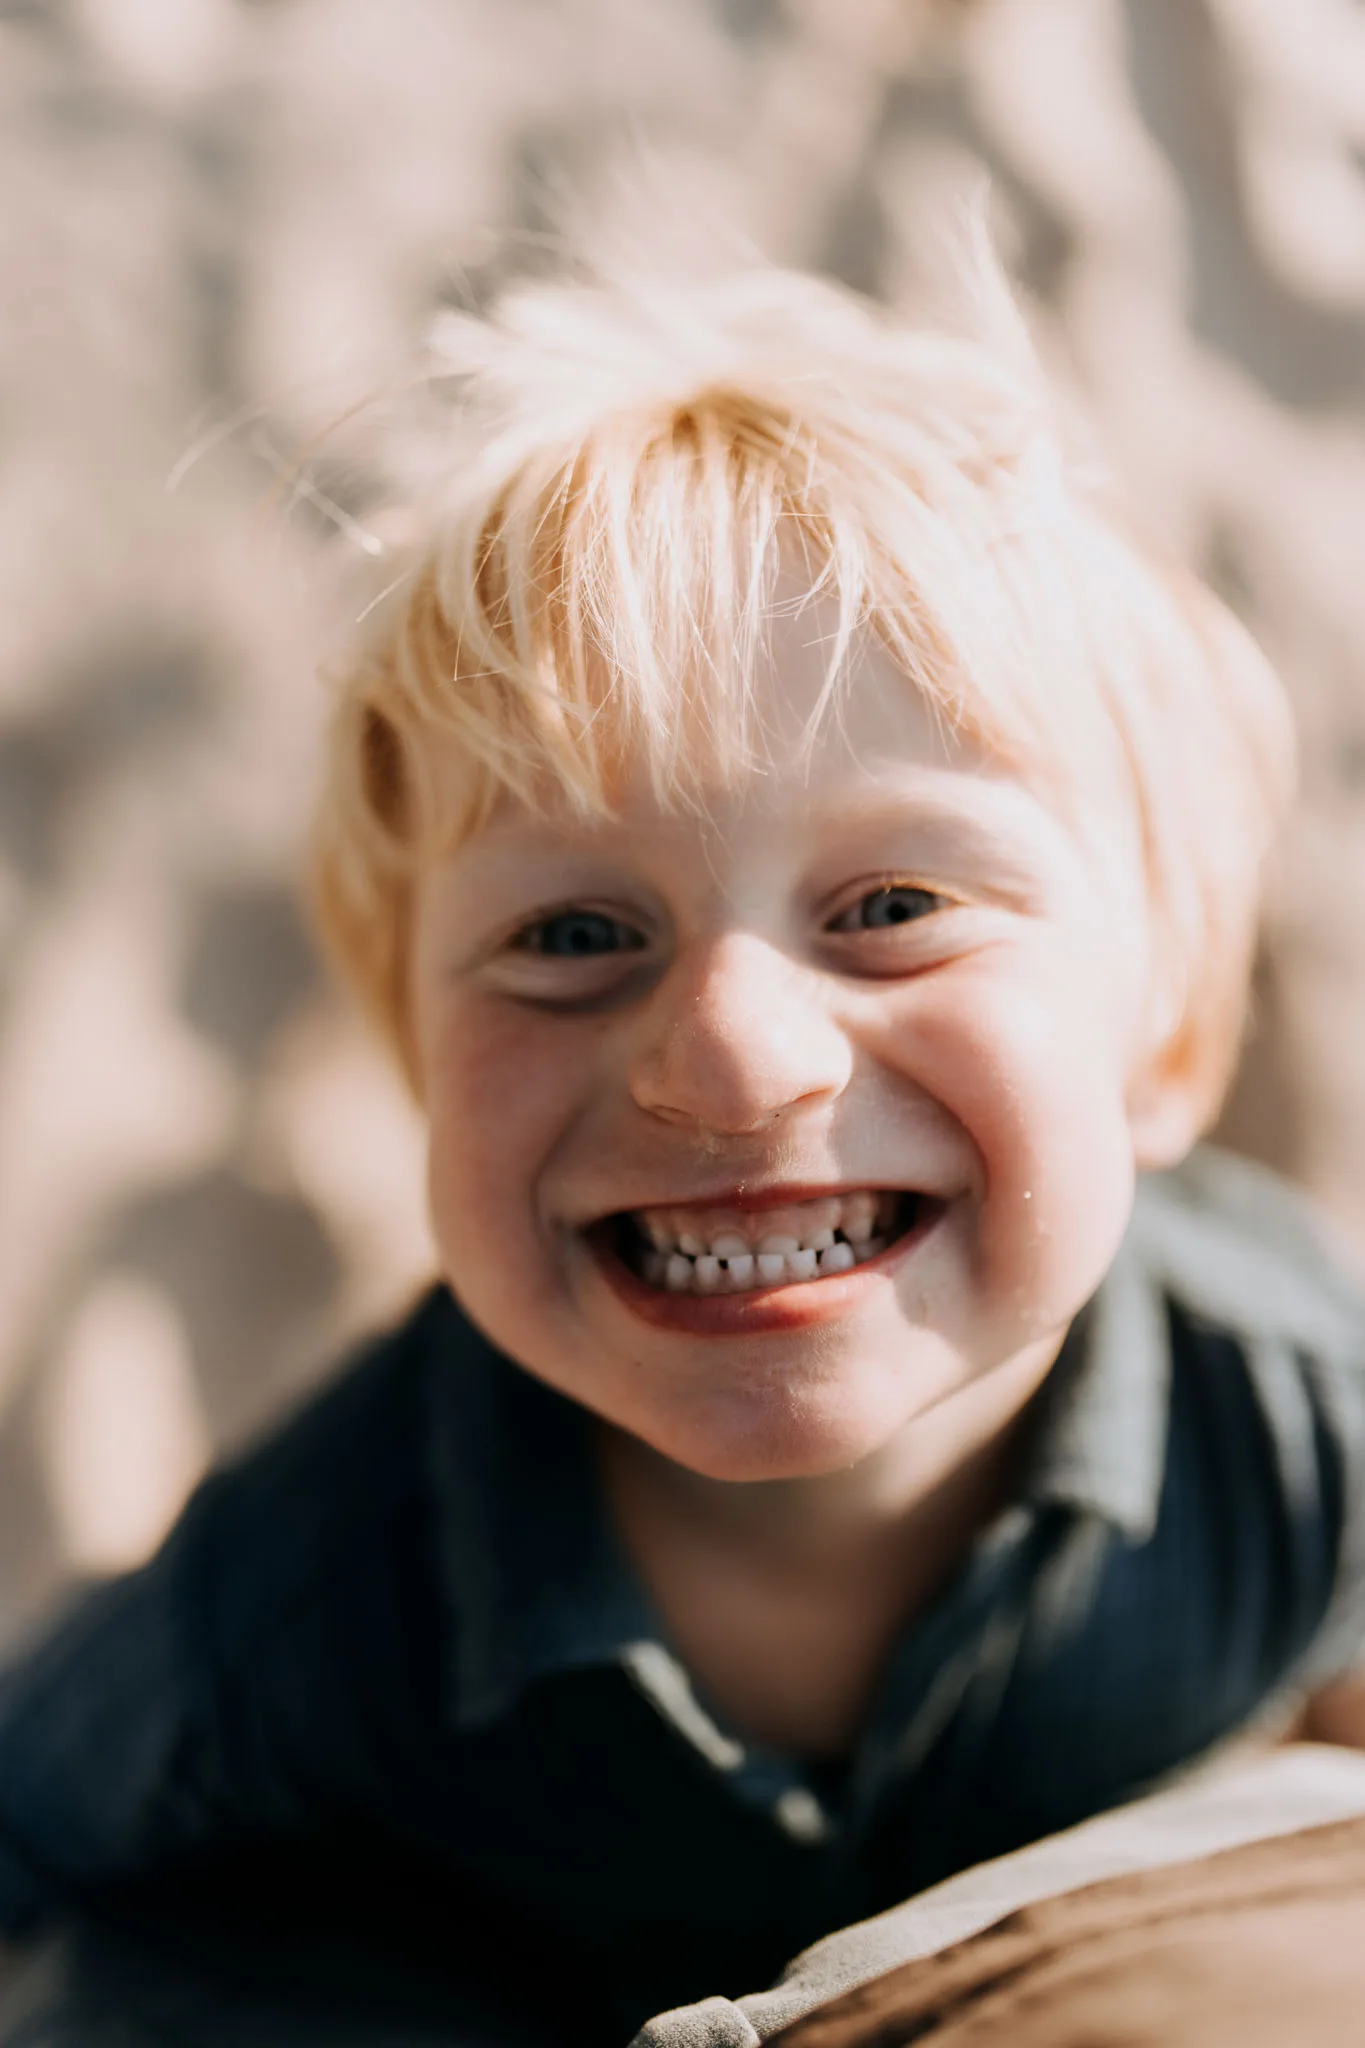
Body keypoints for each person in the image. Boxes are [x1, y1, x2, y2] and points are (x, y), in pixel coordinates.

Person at [3, 231, 1365, 2047]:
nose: (726, 1060)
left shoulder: (1292, 1404)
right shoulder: (304, 1603)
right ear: (422, 1059)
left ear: (1169, 1044)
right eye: (572, 937)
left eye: (889, 901)